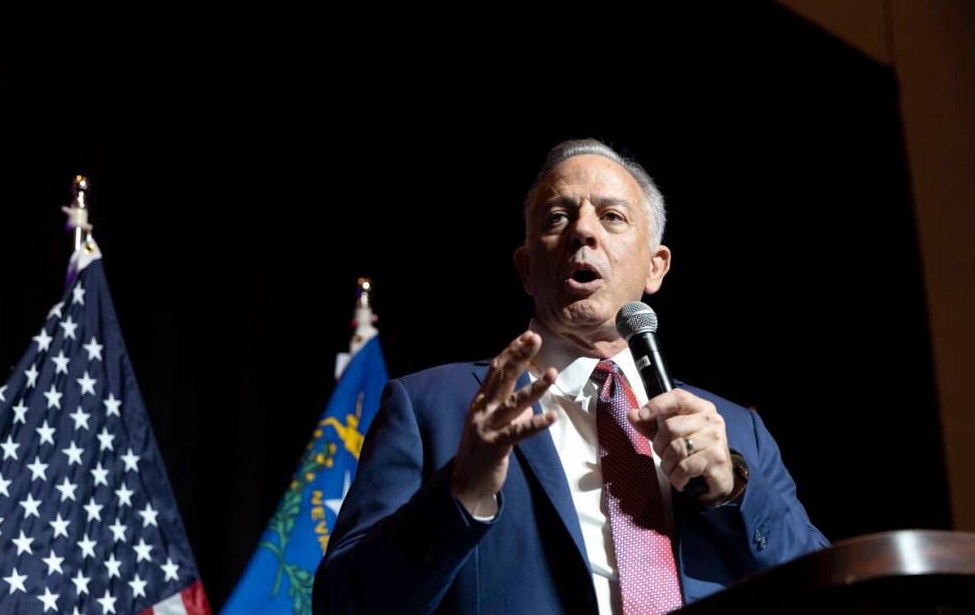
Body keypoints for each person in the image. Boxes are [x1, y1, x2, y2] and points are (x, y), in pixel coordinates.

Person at [313, 139, 828, 614]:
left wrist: (733, 491)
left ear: (657, 267)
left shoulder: (737, 432)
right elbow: (343, 603)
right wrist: (460, 492)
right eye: (558, 217)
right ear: (526, 268)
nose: (584, 231)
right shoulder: (430, 406)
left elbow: (827, 585)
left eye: (612, 217)